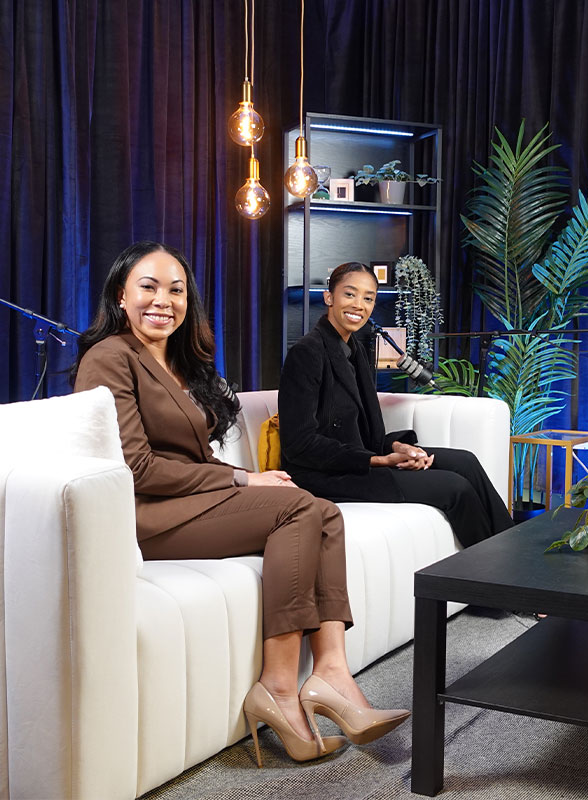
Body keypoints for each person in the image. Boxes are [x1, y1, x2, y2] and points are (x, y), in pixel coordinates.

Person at [72, 242, 408, 767]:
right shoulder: (110, 357)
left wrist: (239, 480)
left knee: (323, 511)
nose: (164, 300)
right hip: (148, 517)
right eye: (148, 286)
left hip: (190, 502)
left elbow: (190, 452)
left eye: (176, 290)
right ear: (121, 294)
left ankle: (332, 674)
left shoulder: (176, 358)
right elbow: (136, 469)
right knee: (301, 506)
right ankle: (279, 686)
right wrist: (242, 480)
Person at [278, 261, 514, 547]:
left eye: (368, 298)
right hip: (326, 475)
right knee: (455, 488)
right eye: (349, 294)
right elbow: (300, 444)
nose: (359, 305)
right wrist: (377, 460)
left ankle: (509, 553)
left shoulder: (356, 351)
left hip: (362, 459)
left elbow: (365, 433)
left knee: (465, 461)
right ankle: (487, 577)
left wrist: (400, 448)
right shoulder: (307, 353)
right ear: (329, 297)